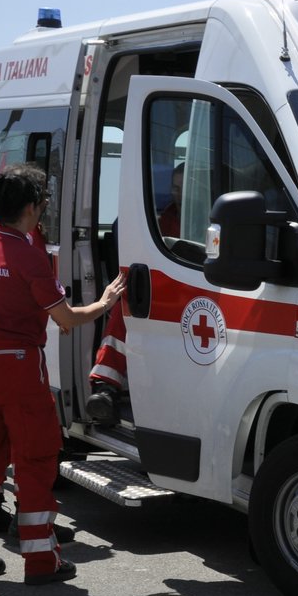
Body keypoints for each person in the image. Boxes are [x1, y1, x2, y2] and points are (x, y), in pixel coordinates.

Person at [0, 164, 126, 585]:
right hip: (18, 366)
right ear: (32, 207)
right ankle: (42, 561)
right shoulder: (28, 255)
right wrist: (105, 302)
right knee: (35, 458)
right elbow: (65, 318)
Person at [85, 163, 182, 425]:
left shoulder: (204, 218)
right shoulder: (163, 220)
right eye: (175, 187)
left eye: (185, 188)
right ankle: (105, 389)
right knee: (124, 307)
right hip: (164, 290)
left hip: (194, 292)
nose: (179, 194)